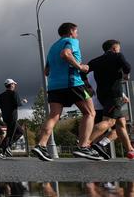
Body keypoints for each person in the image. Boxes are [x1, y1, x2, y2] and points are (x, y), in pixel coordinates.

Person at [31, 22, 101, 161]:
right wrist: (80, 67)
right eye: (76, 31)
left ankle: (41, 145)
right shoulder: (71, 41)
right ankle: (83, 147)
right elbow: (66, 53)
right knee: (90, 113)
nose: (77, 34)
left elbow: (46, 71)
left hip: (54, 85)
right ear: (71, 31)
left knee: (54, 116)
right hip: (72, 83)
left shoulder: (52, 47)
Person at [87, 39, 133, 160]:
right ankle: (86, 145)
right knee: (110, 122)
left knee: (121, 123)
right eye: (118, 48)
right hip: (113, 96)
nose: (119, 51)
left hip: (101, 97)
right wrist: (126, 75)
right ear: (114, 48)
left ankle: (130, 151)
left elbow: (84, 72)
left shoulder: (95, 62)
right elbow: (127, 67)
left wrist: (88, 87)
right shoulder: (117, 56)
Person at [0, 79, 27, 156]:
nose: (15, 85)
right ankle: (0, 150)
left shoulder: (1, 95)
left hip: (5, 117)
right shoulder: (14, 93)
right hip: (12, 117)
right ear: (11, 85)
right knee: (9, 135)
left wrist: (5, 106)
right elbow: (18, 104)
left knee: (20, 132)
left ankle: (6, 146)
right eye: (14, 84)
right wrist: (24, 101)